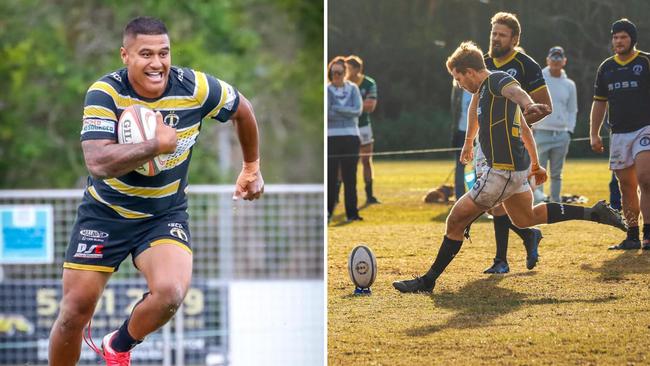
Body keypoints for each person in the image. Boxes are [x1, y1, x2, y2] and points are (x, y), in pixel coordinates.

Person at [48, 17, 264, 366]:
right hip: (106, 214)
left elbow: (243, 109)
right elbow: (97, 161)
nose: (157, 63)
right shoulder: (105, 93)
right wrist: (154, 145)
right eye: (145, 54)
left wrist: (251, 168)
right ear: (125, 55)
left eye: (164, 53)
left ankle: (117, 346)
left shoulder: (194, 87)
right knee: (74, 313)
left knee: (170, 294)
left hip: (163, 215)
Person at [393, 41, 626, 294]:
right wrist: (533, 163)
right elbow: (523, 128)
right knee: (525, 218)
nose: (459, 84)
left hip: (501, 172)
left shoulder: (496, 80)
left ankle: (427, 281)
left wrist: (528, 104)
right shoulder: (483, 93)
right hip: (515, 170)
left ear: (469, 72)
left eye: (458, 78)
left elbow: (516, 91)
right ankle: (594, 213)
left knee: (455, 219)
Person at [475, 12, 552, 274]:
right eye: (493, 33)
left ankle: (501, 260)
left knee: (495, 201)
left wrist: (519, 124)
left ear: (515, 38)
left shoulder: (526, 65)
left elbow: (546, 107)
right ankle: (527, 237)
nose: (495, 38)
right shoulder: (483, 63)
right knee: (492, 203)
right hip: (484, 142)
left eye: (501, 34)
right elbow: (477, 104)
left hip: (513, 143)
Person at [590, 18, 650, 250]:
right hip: (618, 133)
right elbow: (599, 103)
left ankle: (648, 234)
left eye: (623, 37)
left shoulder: (645, 62)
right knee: (626, 185)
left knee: (645, 179)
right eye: (615, 37)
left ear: (632, 39)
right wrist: (594, 133)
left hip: (645, 128)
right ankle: (632, 235)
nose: (618, 41)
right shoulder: (606, 68)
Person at [532, 46, 578, 203]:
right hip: (541, 132)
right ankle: (538, 203)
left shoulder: (569, 84)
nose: (556, 61)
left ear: (564, 61)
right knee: (538, 171)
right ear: (547, 60)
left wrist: (569, 131)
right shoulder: (540, 79)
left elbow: (572, 110)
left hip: (561, 135)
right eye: (553, 57)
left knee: (557, 173)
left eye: (559, 58)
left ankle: (556, 203)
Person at [328, 56, 363, 222]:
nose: (337, 75)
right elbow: (327, 114)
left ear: (345, 73)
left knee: (351, 177)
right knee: (331, 177)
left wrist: (336, 108)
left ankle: (352, 213)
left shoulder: (354, 89)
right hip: (332, 138)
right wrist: (345, 110)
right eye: (334, 72)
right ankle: (328, 211)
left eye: (340, 72)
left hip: (351, 137)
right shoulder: (327, 91)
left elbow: (357, 111)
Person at [345, 55, 380, 204]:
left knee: (366, 160)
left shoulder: (368, 83)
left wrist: (345, 108)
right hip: (346, 127)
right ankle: (338, 197)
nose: (346, 71)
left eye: (349, 68)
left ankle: (369, 195)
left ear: (357, 69)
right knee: (344, 163)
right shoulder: (341, 83)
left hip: (363, 126)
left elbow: (370, 106)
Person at [451, 83, 473, 200]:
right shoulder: (457, 90)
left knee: (480, 166)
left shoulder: (481, 88)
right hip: (461, 132)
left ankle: (480, 198)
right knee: (460, 167)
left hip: (479, 133)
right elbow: (454, 112)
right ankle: (460, 198)